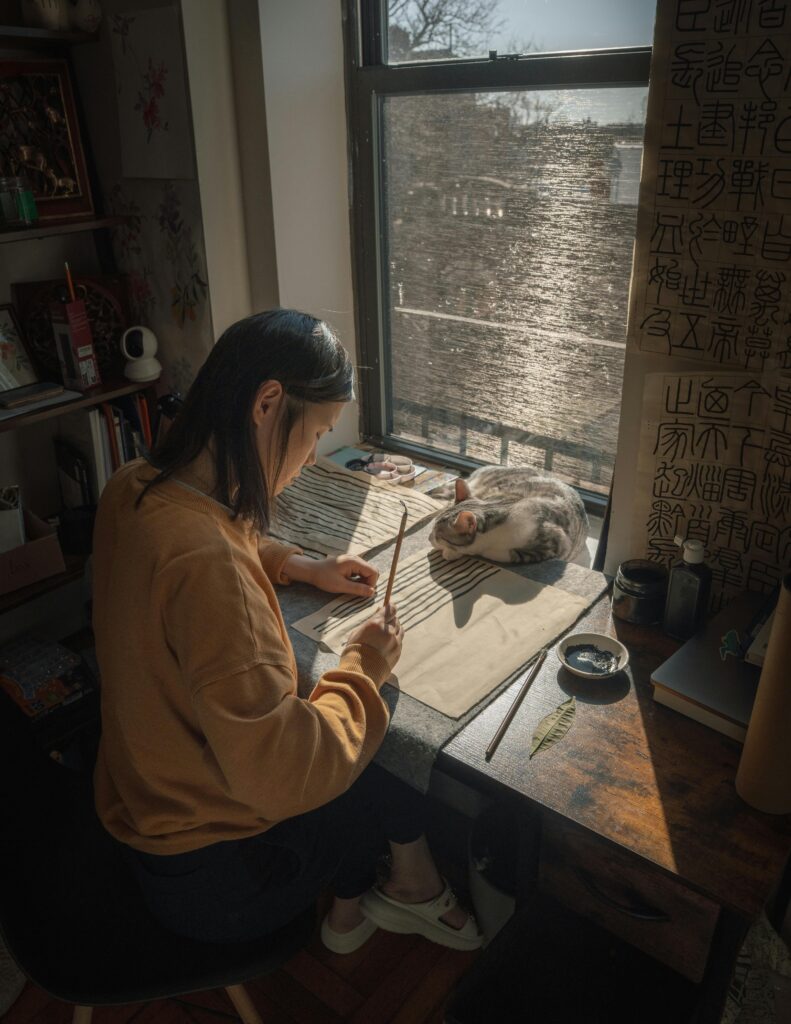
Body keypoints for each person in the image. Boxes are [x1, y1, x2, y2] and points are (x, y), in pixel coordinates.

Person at [92, 309, 481, 953]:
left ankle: (356, 907)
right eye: (318, 433)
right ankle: (390, 893)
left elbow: (207, 534)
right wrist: (363, 664)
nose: (304, 463)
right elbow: (284, 774)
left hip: (144, 815)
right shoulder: (207, 565)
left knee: (346, 718)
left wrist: (296, 564)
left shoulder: (134, 486)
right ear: (268, 402)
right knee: (373, 733)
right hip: (219, 884)